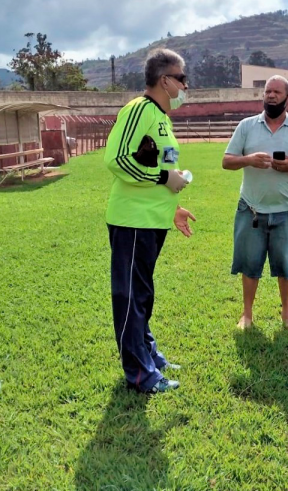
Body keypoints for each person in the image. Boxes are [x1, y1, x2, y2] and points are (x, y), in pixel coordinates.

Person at [103, 48, 196, 394]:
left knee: (143, 294)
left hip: (152, 220)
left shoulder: (163, 119)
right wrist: (163, 180)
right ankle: (139, 374)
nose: (186, 86)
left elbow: (163, 169)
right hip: (132, 220)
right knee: (130, 296)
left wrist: (173, 206)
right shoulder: (138, 110)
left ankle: (149, 356)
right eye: (182, 79)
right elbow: (117, 161)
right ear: (165, 80)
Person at [222, 75, 288, 330]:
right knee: (250, 264)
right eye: (267, 92)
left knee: (287, 265)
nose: (271, 96)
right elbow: (227, 161)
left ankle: (287, 315)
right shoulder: (246, 126)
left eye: (276, 92)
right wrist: (249, 159)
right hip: (251, 209)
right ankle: (247, 314)